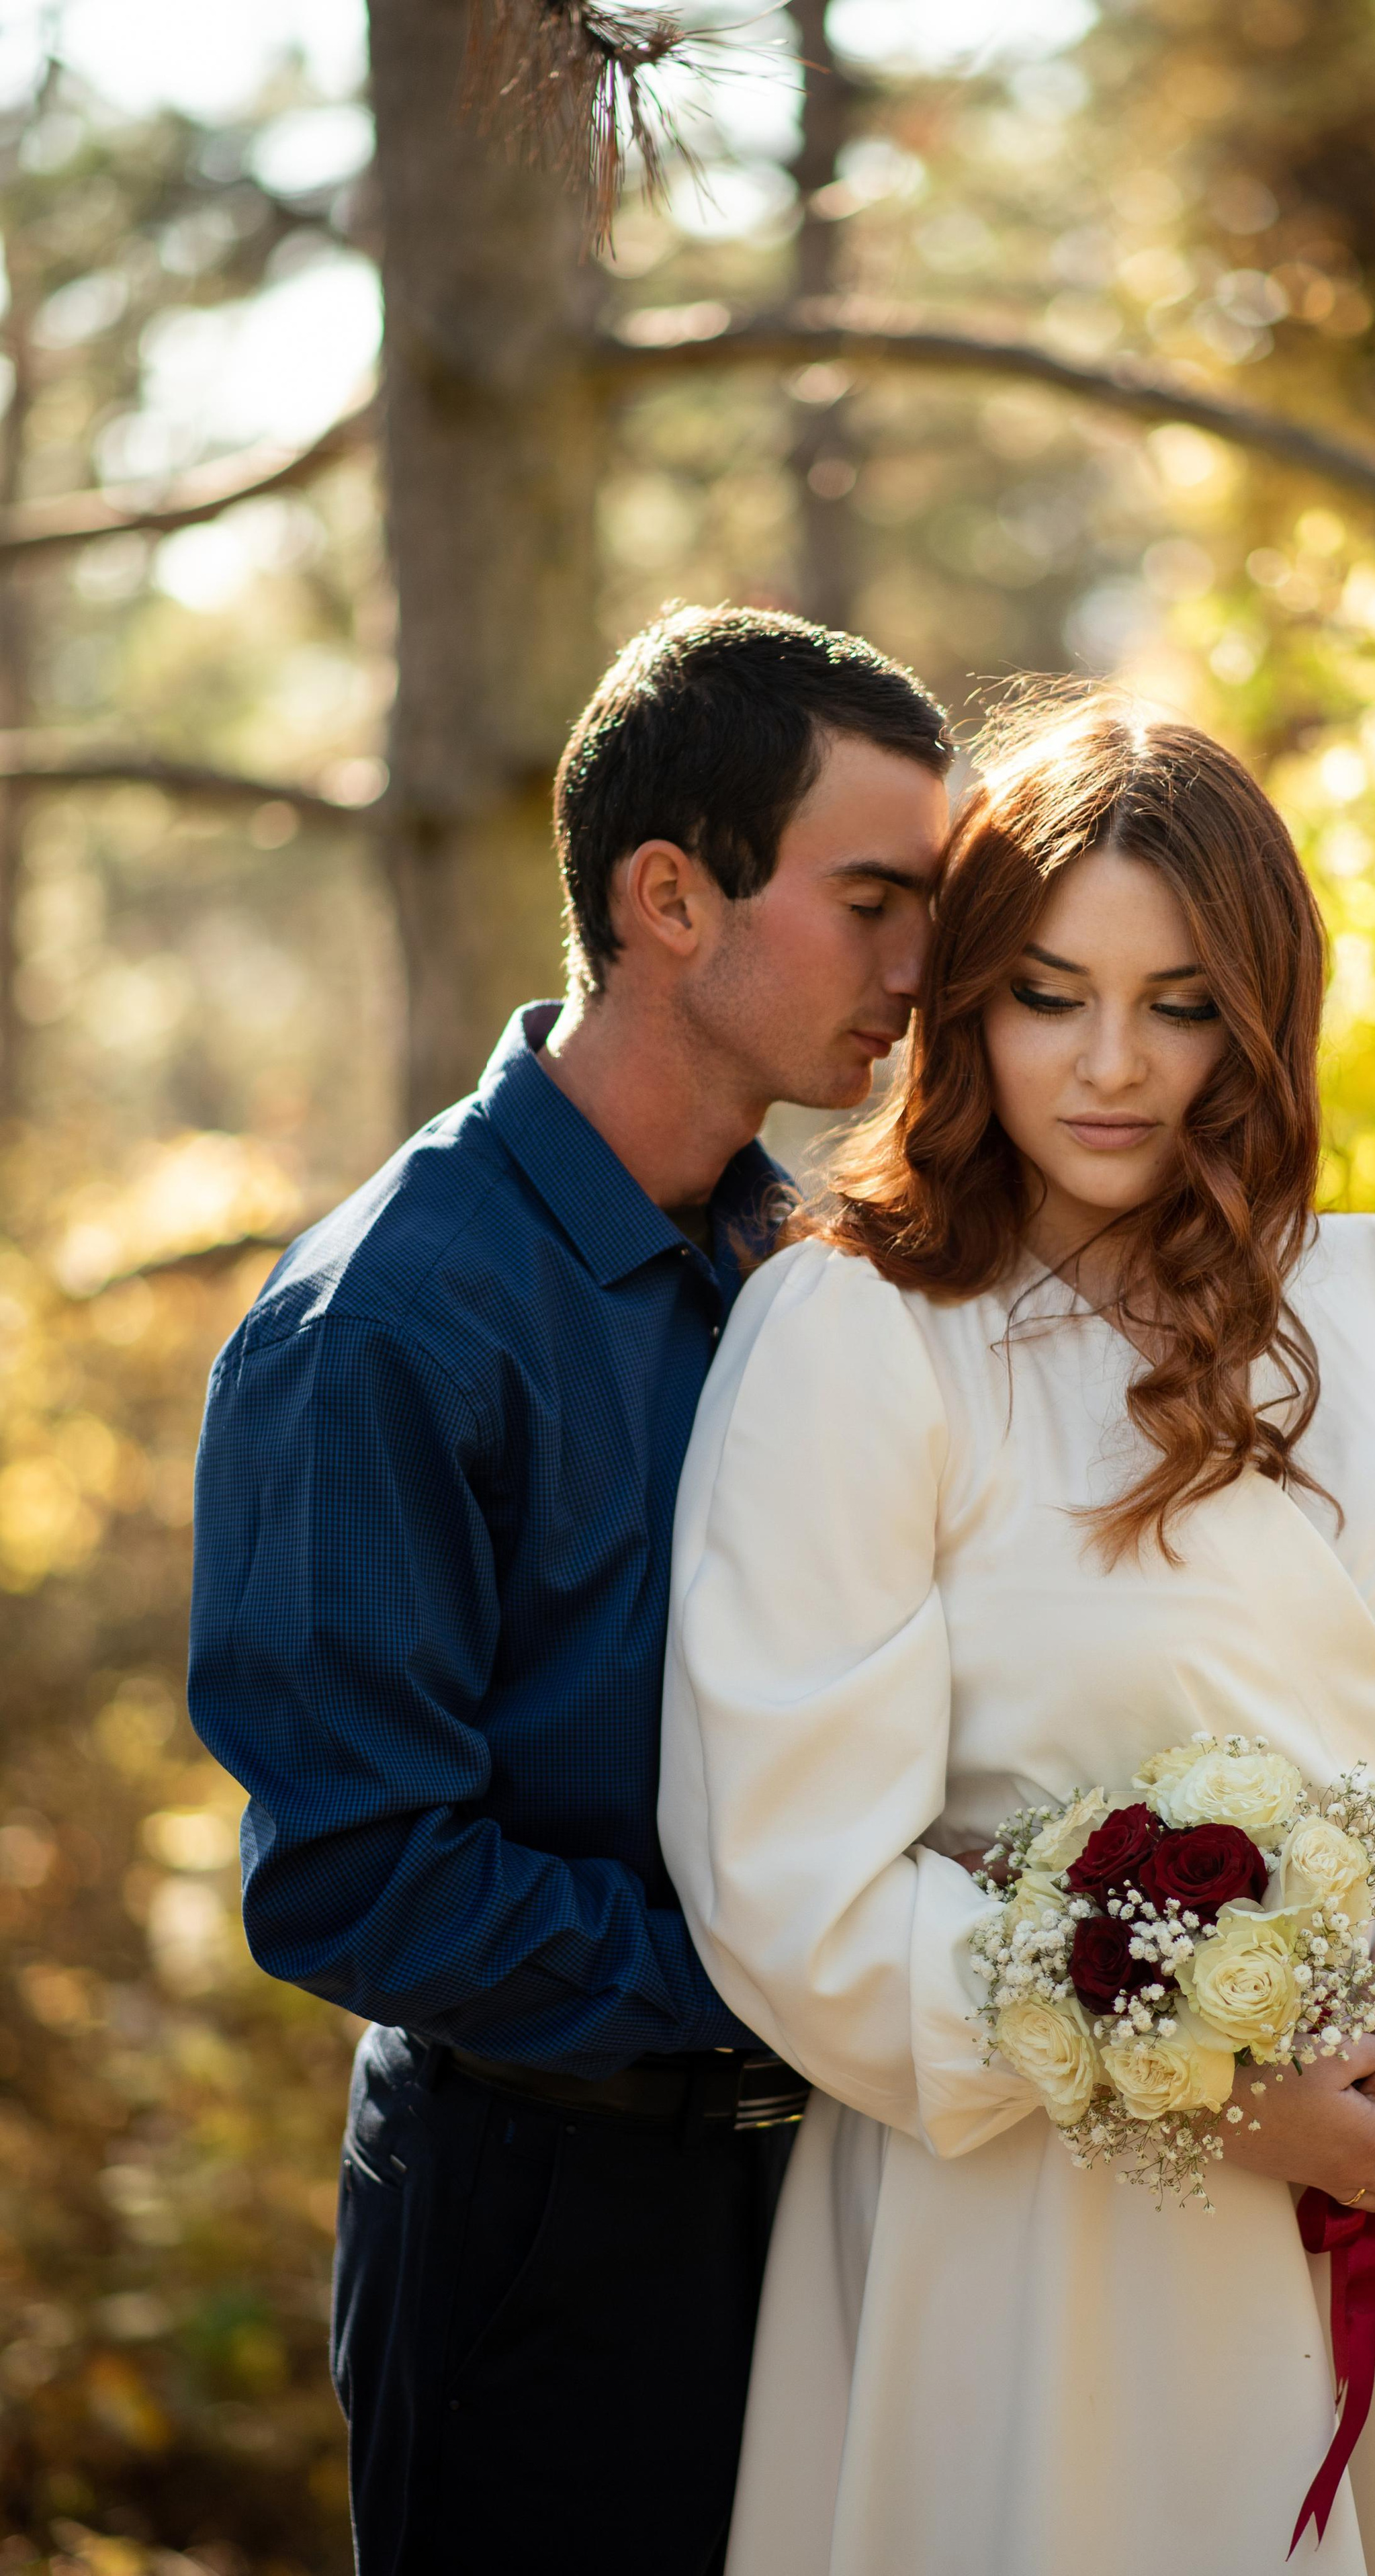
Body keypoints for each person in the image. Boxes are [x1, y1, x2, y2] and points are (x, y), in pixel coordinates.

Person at [660, 697, 1375, 2576]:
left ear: (1261, 1011)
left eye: (1182, 1002)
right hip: (1059, 2246)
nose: (1113, 1064)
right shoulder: (866, 1333)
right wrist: (1214, 2083)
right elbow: (790, 1881)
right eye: (1049, 993)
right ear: (965, 1003)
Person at [186, 604, 953, 2576]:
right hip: (547, 2218)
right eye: (875, 901)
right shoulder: (383, 1321)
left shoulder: (811, 1265)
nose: (919, 971)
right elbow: (353, 1873)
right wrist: (797, 1972)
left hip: (839, 2195)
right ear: (670, 897)